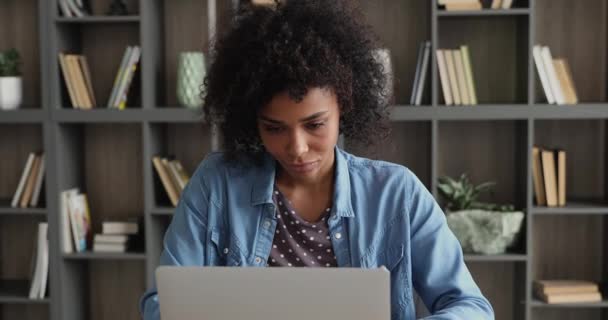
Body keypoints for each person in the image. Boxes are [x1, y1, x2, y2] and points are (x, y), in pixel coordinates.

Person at [140, 1, 494, 319]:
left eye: (315, 124)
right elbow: (161, 304)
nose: (297, 148)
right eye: (274, 128)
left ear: (345, 104)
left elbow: (470, 307)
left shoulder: (396, 193)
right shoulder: (216, 184)